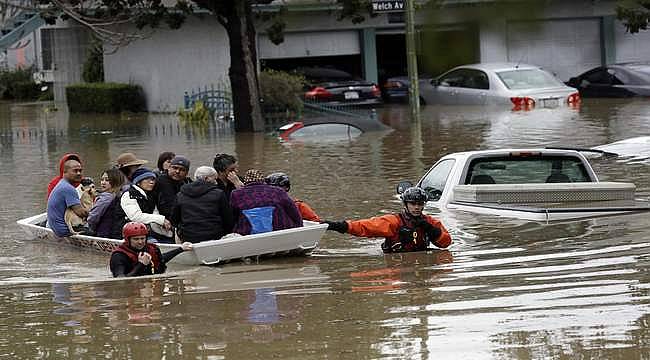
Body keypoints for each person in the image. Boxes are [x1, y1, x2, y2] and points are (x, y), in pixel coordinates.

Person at [323, 187, 452, 253]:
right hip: (395, 261)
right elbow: (364, 227)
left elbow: (446, 243)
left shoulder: (431, 222)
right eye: (413, 203)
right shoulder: (394, 222)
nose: (417, 207)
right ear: (405, 204)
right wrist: (337, 226)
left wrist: (429, 229)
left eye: (420, 203)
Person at [230, 169, 302, 235]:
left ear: (245, 182)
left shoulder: (236, 194)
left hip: (247, 233)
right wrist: (299, 226)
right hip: (278, 231)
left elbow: (234, 216)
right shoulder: (278, 191)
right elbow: (293, 212)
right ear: (262, 180)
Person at [171, 166, 234, 242]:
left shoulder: (180, 195)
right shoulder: (218, 194)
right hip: (214, 236)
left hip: (188, 237)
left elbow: (174, 219)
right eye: (214, 179)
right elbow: (228, 220)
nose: (216, 182)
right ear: (206, 179)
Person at [111, 167, 173, 242]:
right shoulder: (129, 194)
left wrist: (166, 230)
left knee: (169, 238)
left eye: (153, 179)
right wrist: (161, 219)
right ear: (138, 182)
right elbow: (136, 216)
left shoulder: (150, 195)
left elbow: (155, 212)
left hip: (144, 232)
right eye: (147, 179)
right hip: (124, 233)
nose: (151, 182)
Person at [110, 222, 192, 277]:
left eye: (143, 238)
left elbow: (162, 260)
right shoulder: (118, 256)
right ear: (127, 239)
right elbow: (121, 281)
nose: (140, 242)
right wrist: (141, 265)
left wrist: (181, 249)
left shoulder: (153, 248)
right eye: (136, 239)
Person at [46, 159, 88, 237]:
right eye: (75, 171)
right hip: (63, 230)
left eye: (80, 171)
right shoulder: (68, 188)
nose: (79, 173)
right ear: (64, 172)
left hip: (55, 227)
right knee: (97, 231)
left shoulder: (62, 183)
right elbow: (81, 213)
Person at [87, 168, 126, 237]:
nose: (103, 182)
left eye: (107, 180)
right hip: (116, 233)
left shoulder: (105, 198)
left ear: (115, 181)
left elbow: (92, 218)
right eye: (102, 180)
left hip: (103, 233)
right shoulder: (121, 196)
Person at [155, 155, 192, 219]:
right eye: (175, 168)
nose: (177, 171)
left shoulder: (186, 182)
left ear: (187, 173)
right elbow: (169, 206)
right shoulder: (162, 181)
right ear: (169, 168)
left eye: (182, 170)